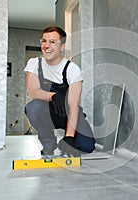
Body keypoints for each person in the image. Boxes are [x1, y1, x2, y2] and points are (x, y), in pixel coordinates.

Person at [24, 26, 95, 158]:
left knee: (87, 146)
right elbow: (34, 92)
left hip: (69, 114)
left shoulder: (72, 69)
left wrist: (69, 137)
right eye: (44, 41)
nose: (46, 46)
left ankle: (65, 141)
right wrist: (53, 96)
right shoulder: (34, 64)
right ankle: (48, 143)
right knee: (32, 108)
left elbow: (74, 106)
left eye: (52, 42)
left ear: (62, 46)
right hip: (47, 112)